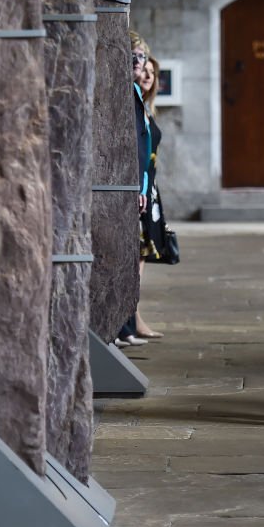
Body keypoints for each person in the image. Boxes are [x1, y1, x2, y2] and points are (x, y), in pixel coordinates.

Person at [115, 31, 154, 348]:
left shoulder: (135, 93)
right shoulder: (122, 92)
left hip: (137, 185)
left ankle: (127, 324)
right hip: (127, 185)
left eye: (141, 56)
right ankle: (121, 325)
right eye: (133, 55)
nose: (138, 62)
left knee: (133, 257)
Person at [134, 56, 165, 338]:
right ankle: (131, 317)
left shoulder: (145, 107)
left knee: (142, 255)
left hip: (148, 190)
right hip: (142, 190)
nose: (148, 76)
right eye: (144, 70)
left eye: (152, 72)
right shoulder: (134, 105)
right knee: (138, 254)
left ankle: (133, 315)